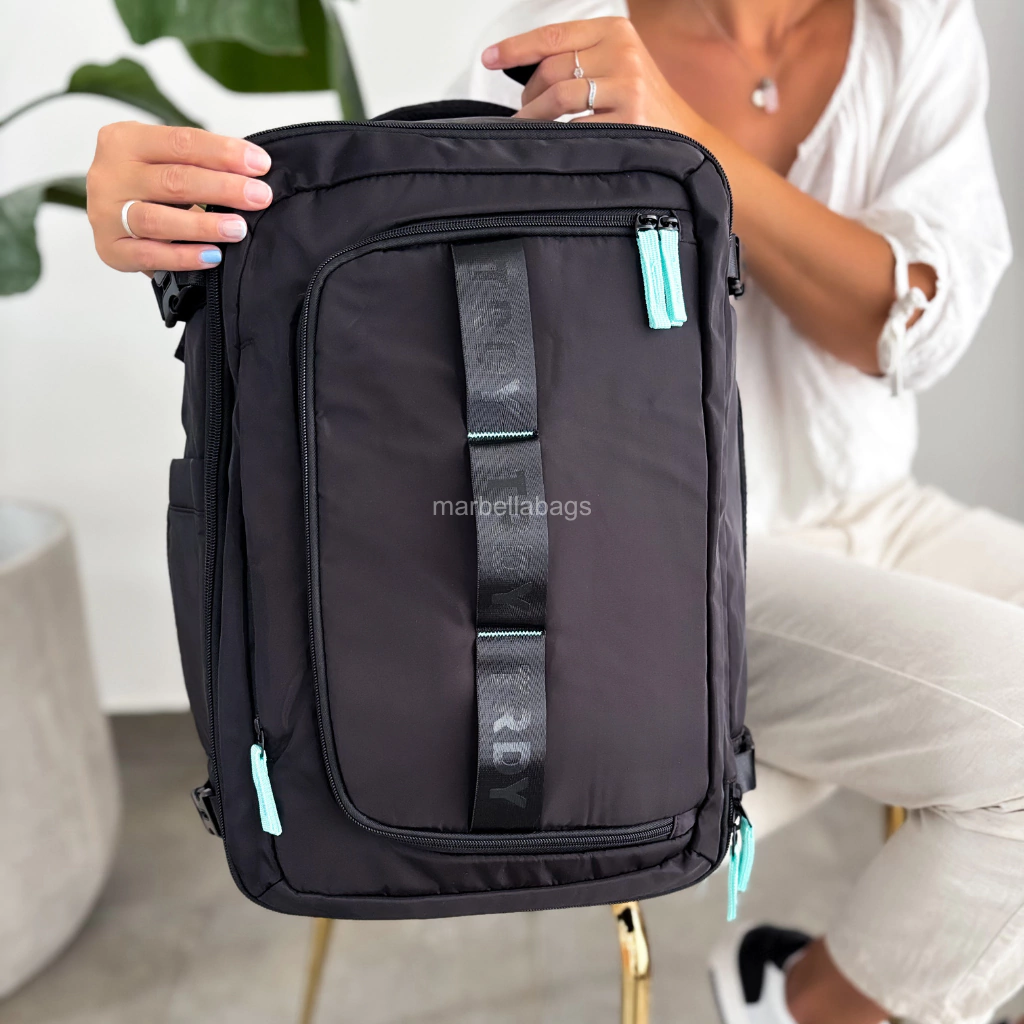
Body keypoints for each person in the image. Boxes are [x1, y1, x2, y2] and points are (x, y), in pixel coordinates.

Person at [83, 1, 1018, 1022]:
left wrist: (688, 148)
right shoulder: (556, 34)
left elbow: (906, 334)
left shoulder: (915, 26)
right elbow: (378, 242)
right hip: (671, 555)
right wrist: (162, 209)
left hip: (884, 510)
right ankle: (803, 1005)